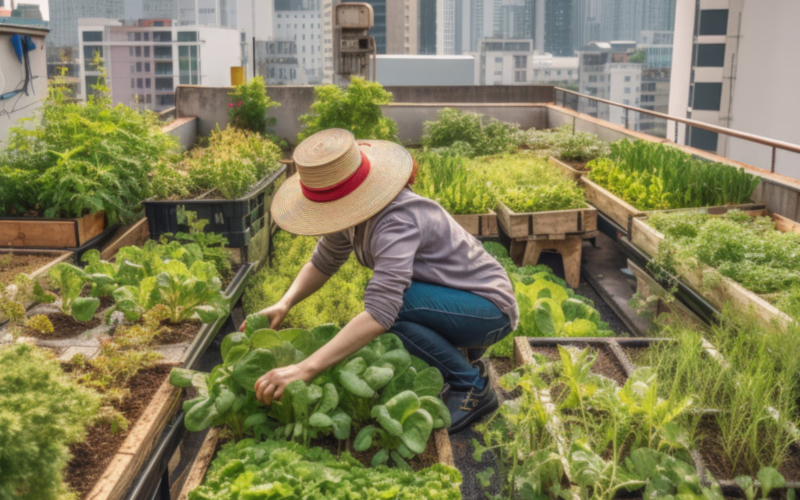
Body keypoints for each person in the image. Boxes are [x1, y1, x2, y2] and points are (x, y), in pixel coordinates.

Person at [242, 128, 518, 433]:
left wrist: (304, 368)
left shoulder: (394, 220)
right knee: (394, 304)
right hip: (458, 301)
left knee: (394, 308)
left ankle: (472, 387)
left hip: (490, 311)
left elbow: (381, 311)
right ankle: (465, 357)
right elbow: (323, 261)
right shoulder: (350, 214)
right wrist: (285, 303)